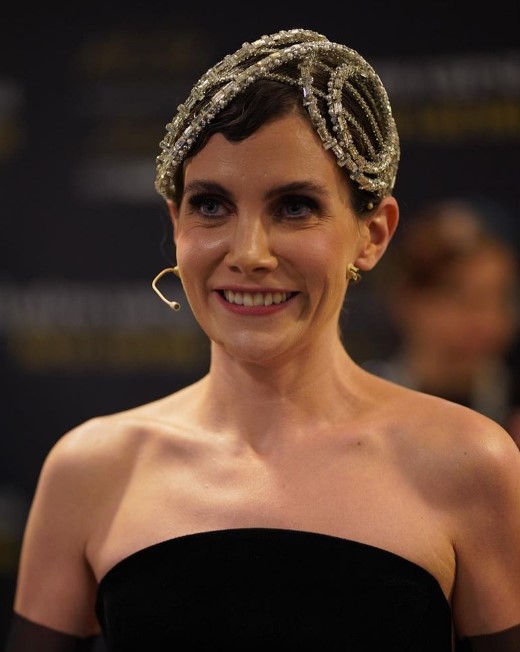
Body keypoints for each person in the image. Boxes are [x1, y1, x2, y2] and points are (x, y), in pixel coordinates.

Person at [5, 28, 520, 651]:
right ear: (176, 226)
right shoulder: (91, 470)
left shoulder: (471, 465)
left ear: (373, 234)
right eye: (211, 206)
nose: (248, 253)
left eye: (295, 207)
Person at [364, 197, 520, 447]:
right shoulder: (365, 403)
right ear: (407, 298)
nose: (487, 319)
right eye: (464, 299)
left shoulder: (511, 404)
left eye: (500, 298)